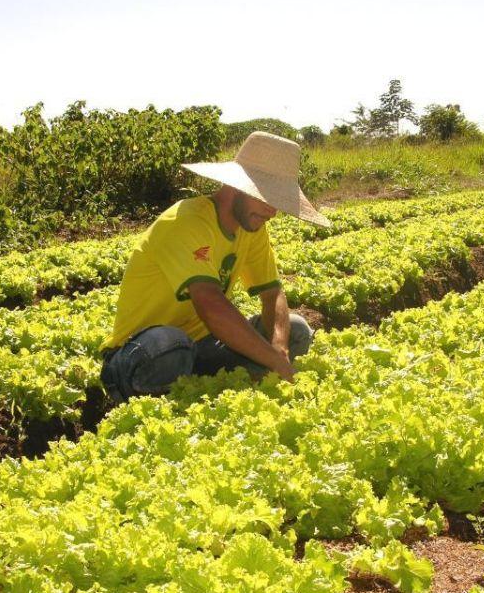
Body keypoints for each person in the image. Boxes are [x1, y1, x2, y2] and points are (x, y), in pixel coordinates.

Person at [99, 131, 330, 403]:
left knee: (296, 330)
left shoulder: (251, 227)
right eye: (267, 199)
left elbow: (273, 294)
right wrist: (272, 360)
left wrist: (279, 348)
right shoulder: (186, 221)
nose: (273, 212)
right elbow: (210, 303)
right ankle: (153, 406)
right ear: (239, 188)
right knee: (172, 346)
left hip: (202, 348)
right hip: (138, 355)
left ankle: (205, 397)